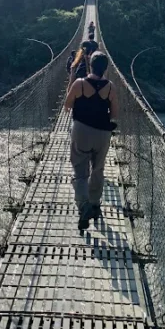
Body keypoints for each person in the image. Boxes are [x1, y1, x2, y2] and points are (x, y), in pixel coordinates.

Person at [64, 51, 119, 230]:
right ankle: (95, 204)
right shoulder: (110, 87)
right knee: (98, 169)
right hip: (103, 134)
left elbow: (67, 105)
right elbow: (115, 114)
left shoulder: (79, 84)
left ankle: (84, 207)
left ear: (90, 64)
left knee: (80, 172)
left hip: (81, 131)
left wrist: (71, 80)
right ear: (105, 68)